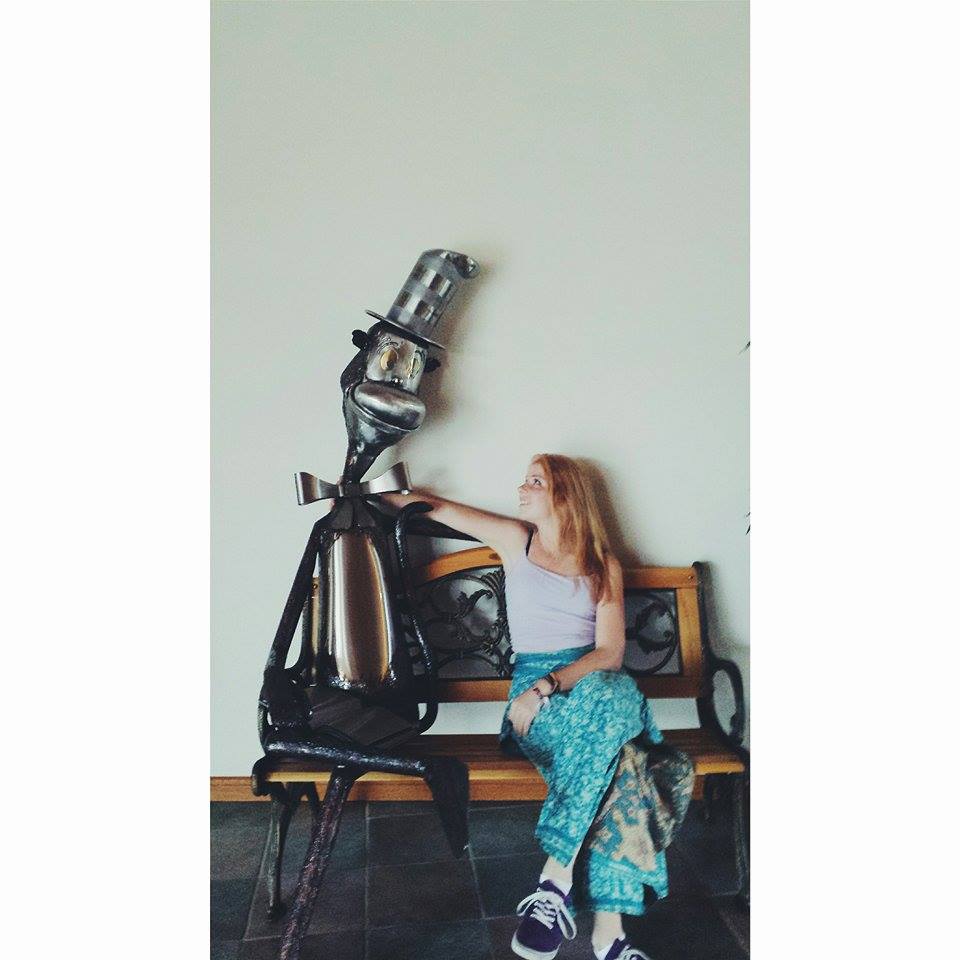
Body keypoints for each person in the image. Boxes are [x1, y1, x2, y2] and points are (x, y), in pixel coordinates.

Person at [381, 453, 668, 960]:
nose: (522, 487)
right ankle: (608, 934)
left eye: (535, 481)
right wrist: (364, 495)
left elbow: (609, 653)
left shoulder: (603, 564)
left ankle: (557, 884)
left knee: (613, 710)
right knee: (625, 751)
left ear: (564, 494)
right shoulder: (518, 540)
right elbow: (435, 507)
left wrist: (550, 685)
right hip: (534, 703)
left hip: (580, 683)